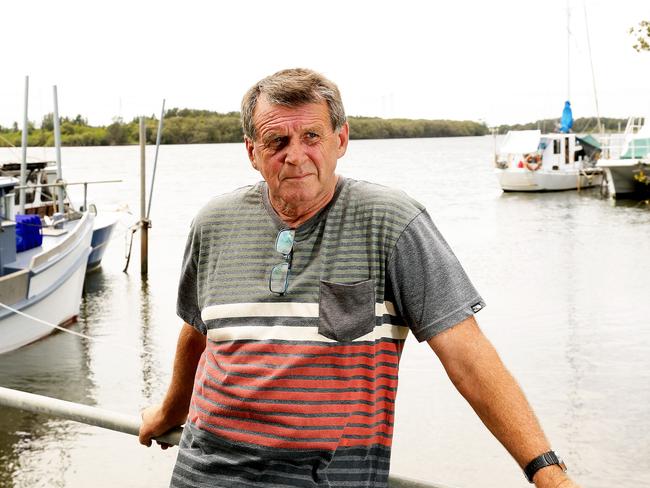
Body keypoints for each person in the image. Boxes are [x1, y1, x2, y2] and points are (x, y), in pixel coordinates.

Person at [139, 68, 579, 488]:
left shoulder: (392, 223)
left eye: (311, 136)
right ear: (252, 152)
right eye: (277, 140)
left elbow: (466, 354)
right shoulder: (214, 223)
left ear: (341, 140)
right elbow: (198, 334)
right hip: (203, 474)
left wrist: (546, 471)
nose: (295, 155)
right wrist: (167, 412)